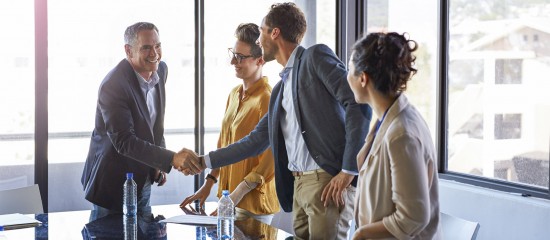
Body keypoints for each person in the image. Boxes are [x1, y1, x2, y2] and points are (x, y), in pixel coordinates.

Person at [180, 3, 372, 239]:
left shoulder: (314, 57)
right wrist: (204, 161)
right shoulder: (281, 88)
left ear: (275, 32)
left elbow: (358, 102)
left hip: (326, 180)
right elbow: (254, 142)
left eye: (261, 30)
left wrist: (348, 170)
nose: (259, 40)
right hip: (298, 185)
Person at [81, 22, 190, 219]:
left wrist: (157, 163)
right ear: (128, 51)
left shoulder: (160, 70)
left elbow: (155, 125)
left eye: (157, 46)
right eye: (146, 47)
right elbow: (124, 141)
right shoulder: (114, 85)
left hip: (142, 178)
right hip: (112, 182)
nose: (154, 53)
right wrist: (170, 158)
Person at [179, 23, 279, 224]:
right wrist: (208, 184)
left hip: (252, 205)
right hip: (227, 199)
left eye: (240, 57)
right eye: (233, 54)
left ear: (260, 60)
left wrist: (236, 196)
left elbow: (270, 160)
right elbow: (224, 146)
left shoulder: (267, 99)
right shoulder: (234, 94)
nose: (233, 61)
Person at [347, 32, 440, 239]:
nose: (347, 77)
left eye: (349, 70)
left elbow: (413, 217)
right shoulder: (387, 121)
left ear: (363, 78)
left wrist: (362, 234)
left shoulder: (401, 134)